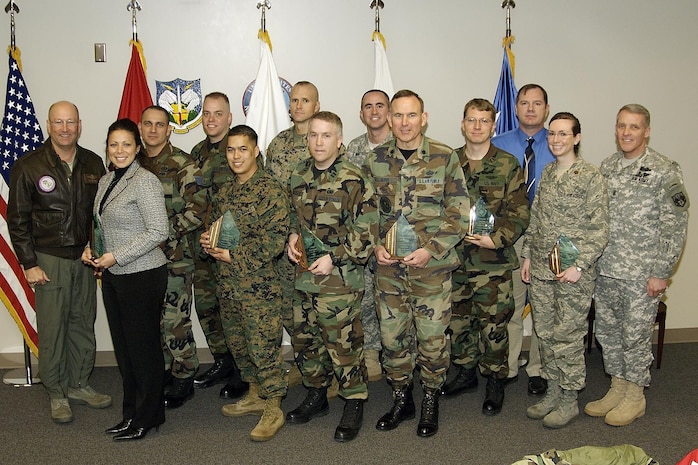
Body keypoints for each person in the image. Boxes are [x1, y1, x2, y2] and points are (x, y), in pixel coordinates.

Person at [363, 90, 470, 438]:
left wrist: (431, 249)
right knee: (393, 339)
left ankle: (430, 397)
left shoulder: (444, 156)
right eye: (398, 116)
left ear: (423, 118)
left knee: (432, 340)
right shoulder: (375, 159)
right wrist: (375, 245)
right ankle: (400, 397)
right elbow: (365, 213)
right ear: (390, 119)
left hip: (431, 270)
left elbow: (458, 213)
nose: (405, 123)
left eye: (412, 115)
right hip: (389, 272)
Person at [585, 104, 689, 427]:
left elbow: (675, 225)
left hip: (643, 274)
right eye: (621, 126)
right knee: (609, 332)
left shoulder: (663, 169)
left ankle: (635, 396)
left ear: (647, 131)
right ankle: (617, 387)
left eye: (634, 127)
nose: (626, 132)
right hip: (608, 270)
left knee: (635, 336)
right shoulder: (608, 166)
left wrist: (662, 272)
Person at [8, 101, 111, 424]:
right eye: (58, 122)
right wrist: (28, 263)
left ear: (79, 125)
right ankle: (56, 391)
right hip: (47, 259)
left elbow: (101, 215)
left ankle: (79, 383)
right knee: (53, 328)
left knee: (83, 322)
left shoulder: (93, 163)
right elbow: (18, 220)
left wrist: (97, 251)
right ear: (49, 125)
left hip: (82, 259)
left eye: (71, 122)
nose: (65, 128)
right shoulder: (29, 166)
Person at [286, 111, 377, 442]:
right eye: (313, 135)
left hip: (340, 280)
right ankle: (317, 394)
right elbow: (295, 220)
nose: (318, 142)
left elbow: (366, 231)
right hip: (305, 277)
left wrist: (334, 257)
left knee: (343, 345)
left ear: (339, 140)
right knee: (306, 342)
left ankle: (354, 401)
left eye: (326, 136)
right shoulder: (298, 176)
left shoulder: (353, 179)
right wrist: (292, 238)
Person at [200, 125, 289, 441]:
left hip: (257, 288)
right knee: (239, 345)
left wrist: (230, 254)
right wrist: (210, 241)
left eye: (242, 149)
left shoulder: (270, 190)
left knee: (262, 347)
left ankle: (274, 406)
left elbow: (274, 241)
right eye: (230, 150)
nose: (236, 156)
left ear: (255, 152)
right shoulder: (225, 190)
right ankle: (255, 394)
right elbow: (222, 229)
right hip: (228, 286)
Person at [521, 112, 609, 428]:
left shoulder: (590, 176)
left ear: (576, 137)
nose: (556, 140)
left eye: (563, 134)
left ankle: (569, 399)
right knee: (544, 333)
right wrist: (529, 255)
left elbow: (600, 228)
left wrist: (581, 264)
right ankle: (553, 391)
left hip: (573, 272)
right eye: (552, 134)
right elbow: (536, 219)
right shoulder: (546, 173)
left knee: (567, 334)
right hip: (544, 267)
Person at [83, 118, 168, 441]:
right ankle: (130, 413)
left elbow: (159, 231)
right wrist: (93, 248)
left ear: (138, 148)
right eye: (113, 144)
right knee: (125, 350)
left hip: (143, 275)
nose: (119, 150)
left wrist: (115, 256)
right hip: (114, 275)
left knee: (143, 350)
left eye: (126, 144)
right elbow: (103, 224)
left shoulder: (144, 181)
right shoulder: (107, 181)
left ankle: (149, 417)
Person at [442, 99, 529, 417]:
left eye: (484, 121)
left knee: (494, 325)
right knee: (459, 321)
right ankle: (465, 373)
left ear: (494, 126)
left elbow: (520, 212)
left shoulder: (507, 164)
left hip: (492, 260)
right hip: (455, 259)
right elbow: (435, 207)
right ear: (462, 124)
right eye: (471, 120)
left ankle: (495, 379)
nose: (477, 126)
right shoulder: (448, 162)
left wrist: (496, 239)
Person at [139, 106, 206, 409]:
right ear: (140, 127)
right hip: (138, 259)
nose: (153, 130)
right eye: (148, 124)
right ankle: (164, 369)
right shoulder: (131, 162)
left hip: (174, 257)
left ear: (169, 130)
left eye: (160, 125)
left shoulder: (183, 163)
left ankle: (184, 375)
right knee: (150, 318)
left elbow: (197, 209)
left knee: (174, 319)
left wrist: (161, 232)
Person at [491, 83, 555, 396]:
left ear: (546, 108)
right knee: (513, 304)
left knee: (543, 307)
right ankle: (511, 364)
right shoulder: (498, 143)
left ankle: (539, 369)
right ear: (515, 108)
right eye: (524, 103)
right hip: (512, 234)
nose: (530, 109)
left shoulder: (557, 142)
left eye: (537, 103)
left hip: (547, 237)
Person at [190, 92, 248, 400]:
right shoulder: (197, 152)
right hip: (202, 244)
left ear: (229, 117)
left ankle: (242, 371)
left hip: (230, 246)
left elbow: (249, 198)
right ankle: (222, 361)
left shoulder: (240, 149)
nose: (211, 119)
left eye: (218, 113)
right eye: (207, 114)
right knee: (207, 307)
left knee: (234, 310)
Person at [265, 81, 321, 343]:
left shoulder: (323, 141)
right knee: (289, 304)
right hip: (283, 238)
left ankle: (327, 371)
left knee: (320, 305)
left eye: (305, 100)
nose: (299, 105)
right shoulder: (278, 144)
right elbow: (269, 192)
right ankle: (304, 360)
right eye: (295, 100)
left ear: (316, 106)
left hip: (316, 236)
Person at [345, 89, 393, 382]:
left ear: (389, 111)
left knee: (393, 302)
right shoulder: (352, 148)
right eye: (368, 107)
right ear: (361, 114)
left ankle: (398, 357)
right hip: (363, 240)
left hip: (394, 242)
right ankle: (371, 354)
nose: (374, 111)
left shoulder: (401, 145)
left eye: (380, 106)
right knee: (363, 300)